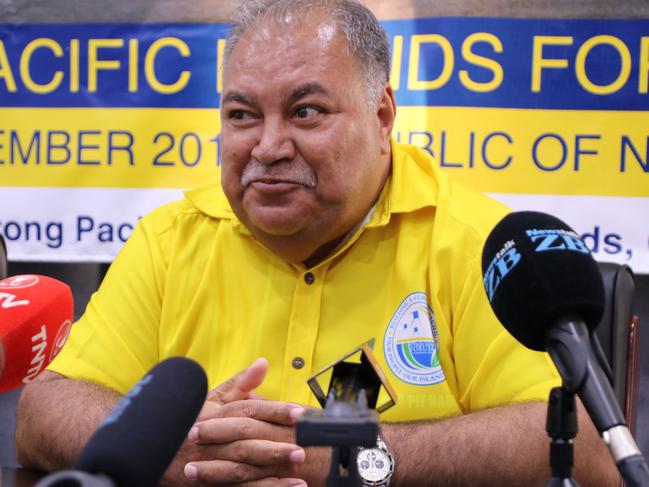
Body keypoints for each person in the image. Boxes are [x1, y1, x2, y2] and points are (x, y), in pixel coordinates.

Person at [16, 1, 618, 486]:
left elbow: (586, 453)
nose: (268, 146)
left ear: (382, 116)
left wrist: (347, 458)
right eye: (242, 115)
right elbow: (42, 413)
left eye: (305, 112)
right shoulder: (172, 239)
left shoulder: (477, 246)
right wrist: (186, 455)